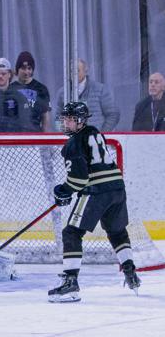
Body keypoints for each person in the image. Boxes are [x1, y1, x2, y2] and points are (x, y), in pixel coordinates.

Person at [48, 101, 140, 303]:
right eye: (65, 119)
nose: (65, 123)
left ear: (80, 121)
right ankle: (130, 271)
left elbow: (79, 180)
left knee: (71, 232)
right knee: (117, 232)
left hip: (97, 192)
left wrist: (64, 191)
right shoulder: (95, 132)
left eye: (70, 119)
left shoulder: (73, 143)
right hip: (117, 188)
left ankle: (70, 282)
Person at [56, 59, 120, 132]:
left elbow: (113, 114)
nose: (74, 74)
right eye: (71, 71)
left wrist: (101, 134)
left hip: (93, 136)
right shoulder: (63, 92)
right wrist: (64, 134)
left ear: (85, 71)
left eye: (77, 70)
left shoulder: (100, 89)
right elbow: (58, 118)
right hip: (72, 138)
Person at [10, 51, 52, 132]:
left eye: (29, 68)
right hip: (15, 136)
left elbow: (45, 117)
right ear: (17, 69)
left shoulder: (41, 89)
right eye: (23, 68)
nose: (26, 72)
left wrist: (45, 137)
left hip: (35, 135)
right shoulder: (11, 88)